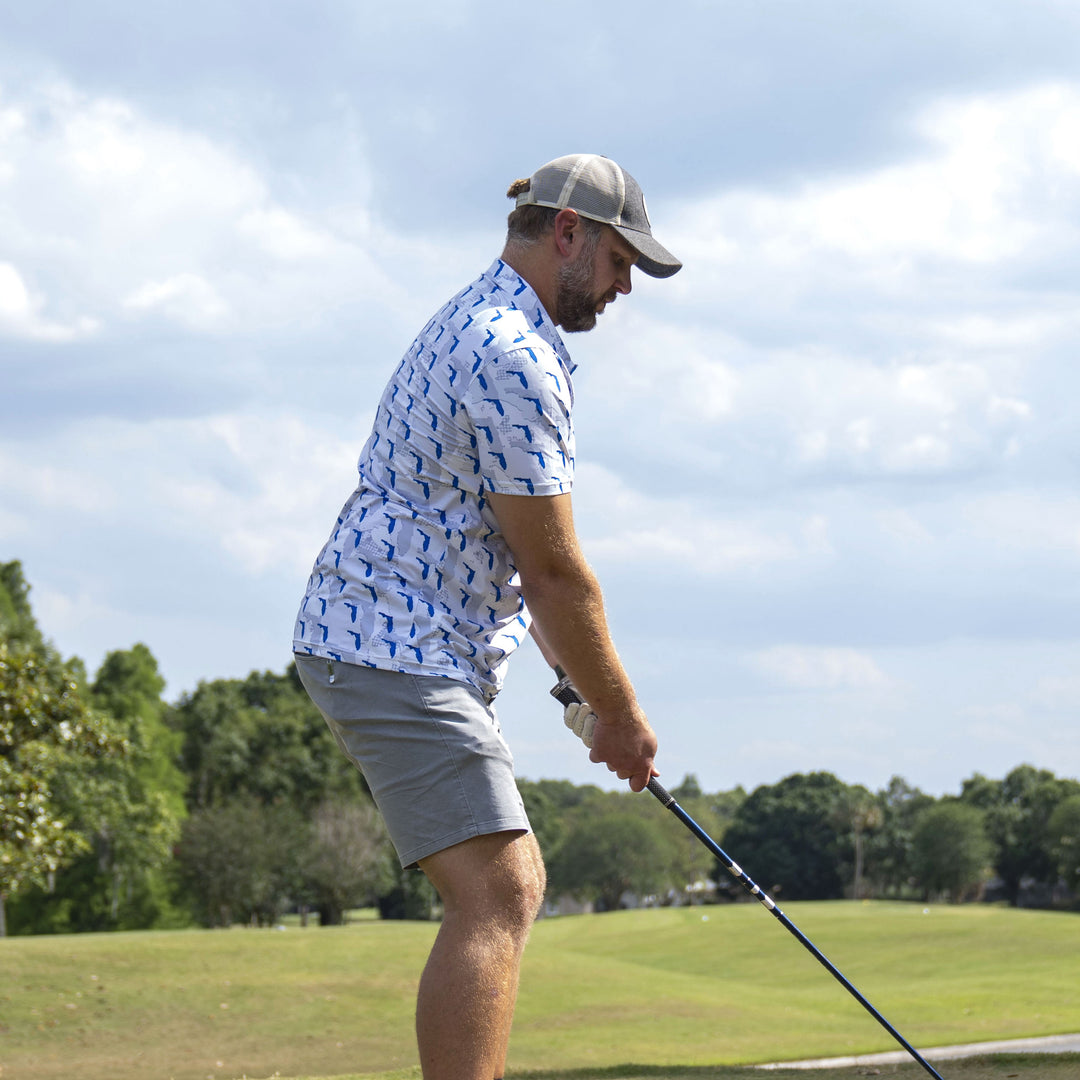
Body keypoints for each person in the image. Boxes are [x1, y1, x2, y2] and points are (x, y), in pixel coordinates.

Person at [292, 153, 682, 1079]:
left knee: (502, 889)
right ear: (569, 233)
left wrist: (582, 692)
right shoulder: (513, 356)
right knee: (502, 892)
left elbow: (515, 563)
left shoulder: (485, 319)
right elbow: (555, 576)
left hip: (388, 641)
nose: (627, 284)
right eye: (622, 259)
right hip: (393, 648)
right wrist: (622, 716)